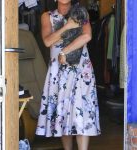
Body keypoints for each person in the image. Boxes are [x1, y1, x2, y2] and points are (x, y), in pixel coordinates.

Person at [36, 0, 101, 150]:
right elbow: (47, 41)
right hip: (59, 71)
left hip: (80, 69)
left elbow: (87, 36)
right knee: (63, 112)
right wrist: (68, 26)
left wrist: (65, 51)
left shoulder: (81, 12)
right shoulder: (47, 16)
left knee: (82, 111)